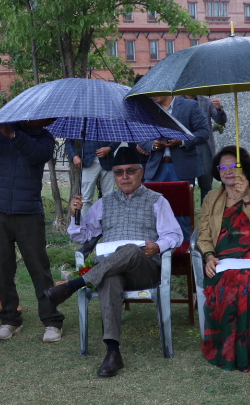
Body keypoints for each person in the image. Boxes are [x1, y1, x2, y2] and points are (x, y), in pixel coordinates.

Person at [44, 146, 182, 378]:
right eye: (119, 172)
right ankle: (113, 352)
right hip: (110, 270)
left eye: (130, 171)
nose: (124, 177)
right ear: (114, 176)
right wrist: (75, 214)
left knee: (129, 249)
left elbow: (175, 235)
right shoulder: (104, 203)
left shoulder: (157, 201)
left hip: (144, 269)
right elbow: (82, 236)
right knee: (109, 279)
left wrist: (158, 246)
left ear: (141, 172)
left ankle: (76, 284)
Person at [0, 118, 64, 343]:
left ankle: (52, 321)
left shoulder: (45, 138)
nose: (45, 121)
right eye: (42, 117)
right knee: (1, 268)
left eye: (48, 119)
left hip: (28, 212)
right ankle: (10, 319)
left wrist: (13, 135)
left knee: (39, 268)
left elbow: (37, 155)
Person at [197, 146, 250, 371]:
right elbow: (203, 234)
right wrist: (209, 256)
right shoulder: (212, 198)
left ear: (246, 169)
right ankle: (232, 352)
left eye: (234, 166)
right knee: (234, 283)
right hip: (223, 262)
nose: (228, 171)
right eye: (222, 167)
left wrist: (247, 199)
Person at [137, 95, 209, 238]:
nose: (152, 95)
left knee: (182, 212)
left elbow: (203, 132)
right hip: (156, 169)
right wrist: (153, 145)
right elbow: (140, 136)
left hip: (182, 168)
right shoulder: (148, 109)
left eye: (156, 91)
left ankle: (185, 246)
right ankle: (158, 246)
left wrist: (182, 141)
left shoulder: (190, 106)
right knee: (152, 210)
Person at [184, 95, 227, 203]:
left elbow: (220, 121)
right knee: (186, 185)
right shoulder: (177, 101)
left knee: (206, 181)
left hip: (204, 145)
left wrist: (219, 109)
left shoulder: (206, 101)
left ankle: (207, 209)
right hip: (184, 145)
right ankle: (187, 210)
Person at [65, 140, 120, 217]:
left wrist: (109, 148)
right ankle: (84, 223)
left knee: (109, 197)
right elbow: (68, 141)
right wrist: (74, 156)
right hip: (88, 161)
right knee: (85, 198)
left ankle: (109, 222)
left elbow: (119, 137)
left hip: (108, 161)